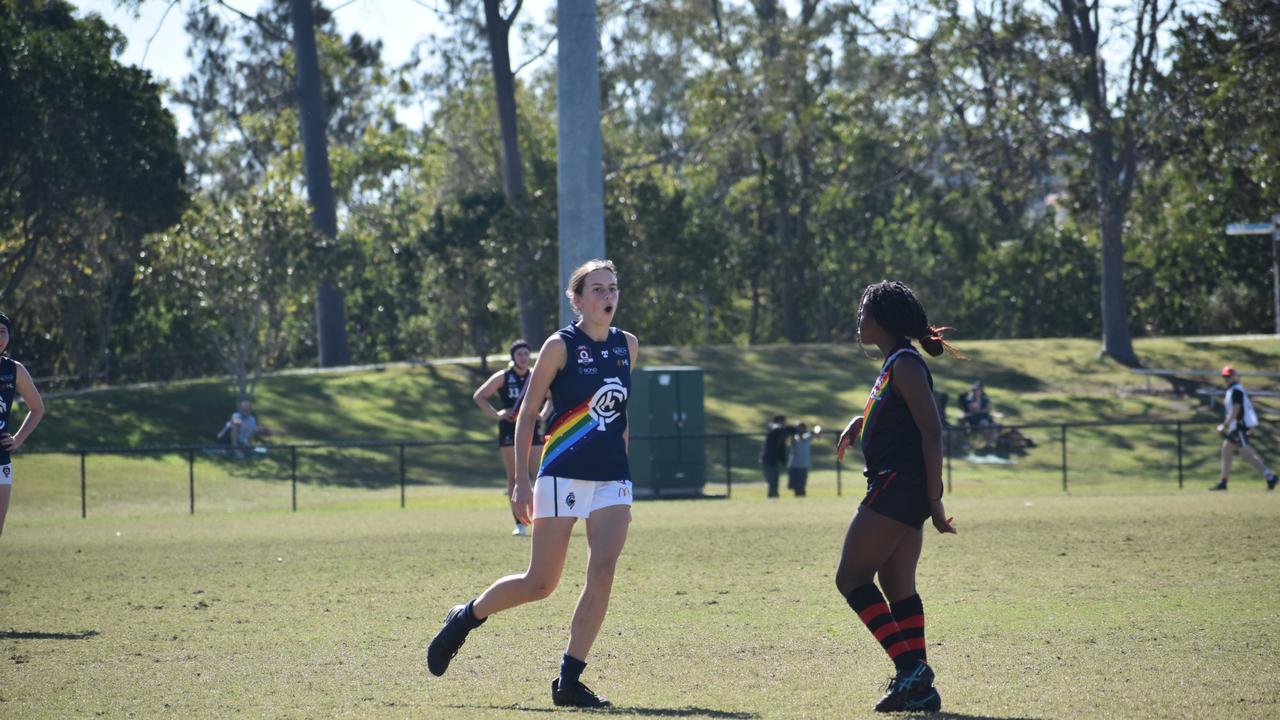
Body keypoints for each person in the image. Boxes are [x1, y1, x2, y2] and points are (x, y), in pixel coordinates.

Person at [427, 259, 637, 709]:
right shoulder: (559, 347)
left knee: (603, 570)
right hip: (561, 472)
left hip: (612, 479)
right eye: (597, 290)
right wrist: (520, 482)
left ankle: (569, 681)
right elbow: (526, 416)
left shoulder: (628, 347)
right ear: (577, 300)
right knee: (541, 583)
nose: (608, 297)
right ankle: (465, 617)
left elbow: (620, 414)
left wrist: (625, 466)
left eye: (613, 288)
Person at [834, 281, 957, 714]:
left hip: (897, 486)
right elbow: (893, 412)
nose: (859, 321)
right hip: (900, 487)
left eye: (864, 312)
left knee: (850, 579)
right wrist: (858, 422)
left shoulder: (905, 363)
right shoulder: (893, 364)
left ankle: (911, 670)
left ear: (882, 320)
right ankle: (919, 689)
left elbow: (932, 431)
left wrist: (936, 501)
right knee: (896, 584)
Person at [472, 339, 551, 536]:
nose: (523, 357)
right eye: (519, 354)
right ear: (513, 357)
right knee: (514, 477)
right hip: (509, 430)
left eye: (526, 353)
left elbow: (551, 398)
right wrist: (497, 414)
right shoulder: (504, 376)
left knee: (540, 475)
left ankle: (542, 520)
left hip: (532, 428)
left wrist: (543, 414)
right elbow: (479, 396)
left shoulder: (536, 375)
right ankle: (520, 523)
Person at [0, 312, 46, 536]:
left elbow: (37, 408)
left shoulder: (13, 370)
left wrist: (17, 439)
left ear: (9, 337)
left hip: (1, 458)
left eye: (2, 331)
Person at [1210, 365, 1277, 491]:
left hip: (1239, 427)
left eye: (1229, 376)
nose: (1226, 379)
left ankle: (1270, 476)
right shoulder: (1232, 390)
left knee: (1248, 455)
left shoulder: (1236, 390)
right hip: (1235, 428)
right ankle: (1223, 482)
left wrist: (1224, 425)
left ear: (1235, 376)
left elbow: (1236, 409)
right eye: (1225, 376)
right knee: (1226, 451)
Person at [958, 381, 997, 450]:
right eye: (975, 390)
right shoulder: (969, 398)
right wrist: (979, 401)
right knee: (984, 423)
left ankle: (988, 445)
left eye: (978, 390)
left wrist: (983, 410)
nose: (977, 391)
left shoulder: (985, 398)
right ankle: (986, 444)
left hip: (985, 418)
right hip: (973, 420)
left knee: (994, 426)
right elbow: (974, 409)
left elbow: (989, 408)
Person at [761, 415, 791, 498]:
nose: (784, 423)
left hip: (774, 461)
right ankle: (772, 496)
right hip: (768, 460)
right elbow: (776, 427)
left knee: (775, 480)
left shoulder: (781, 431)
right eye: (783, 421)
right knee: (772, 481)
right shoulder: (772, 428)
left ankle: (774, 496)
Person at [787, 421, 817, 497]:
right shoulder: (794, 438)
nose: (800, 430)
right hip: (794, 465)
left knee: (801, 485)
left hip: (804, 465)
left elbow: (816, 434)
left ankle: (801, 496)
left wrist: (813, 433)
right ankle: (798, 496)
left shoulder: (807, 437)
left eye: (801, 428)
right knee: (795, 485)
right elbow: (791, 443)